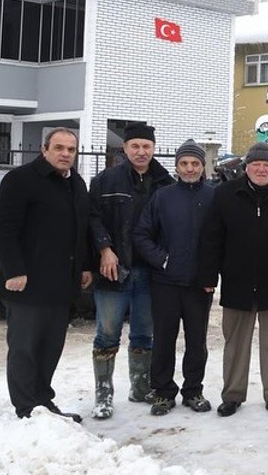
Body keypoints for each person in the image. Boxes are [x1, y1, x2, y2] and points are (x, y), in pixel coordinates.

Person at [199, 142, 268, 416]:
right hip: (238, 280)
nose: (261, 169)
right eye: (256, 164)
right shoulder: (225, 194)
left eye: (267, 165)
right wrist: (209, 274)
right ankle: (233, 394)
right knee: (235, 342)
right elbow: (212, 238)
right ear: (246, 167)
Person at [0, 127, 93, 421]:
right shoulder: (20, 180)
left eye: (71, 150)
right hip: (27, 283)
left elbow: (80, 229)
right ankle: (26, 408)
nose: (65, 154)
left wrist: (84, 265)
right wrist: (14, 270)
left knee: (50, 348)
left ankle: (42, 401)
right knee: (25, 348)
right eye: (59, 148)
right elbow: (4, 227)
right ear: (44, 149)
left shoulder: (76, 183)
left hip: (61, 284)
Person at [88, 122, 175, 419]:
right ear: (125, 149)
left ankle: (139, 386)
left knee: (143, 333)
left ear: (153, 149)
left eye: (146, 146)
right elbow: (93, 218)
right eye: (135, 146)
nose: (141, 151)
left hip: (150, 273)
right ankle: (104, 393)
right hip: (114, 270)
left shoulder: (165, 182)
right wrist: (104, 249)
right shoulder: (106, 181)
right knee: (107, 332)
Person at [132, 139, 215, 416]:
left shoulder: (213, 197)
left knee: (196, 341)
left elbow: (222, 238)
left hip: (198, 285)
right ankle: (164, 392)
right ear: (177, 166)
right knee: (164, 340)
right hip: (165, 283)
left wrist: (211, 271)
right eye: (184, 164)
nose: (189, 169)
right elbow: (141, 234)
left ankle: (193, 390)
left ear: (203, 166)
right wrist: (162, 259)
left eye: (195, 164)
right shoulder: (163, 197)